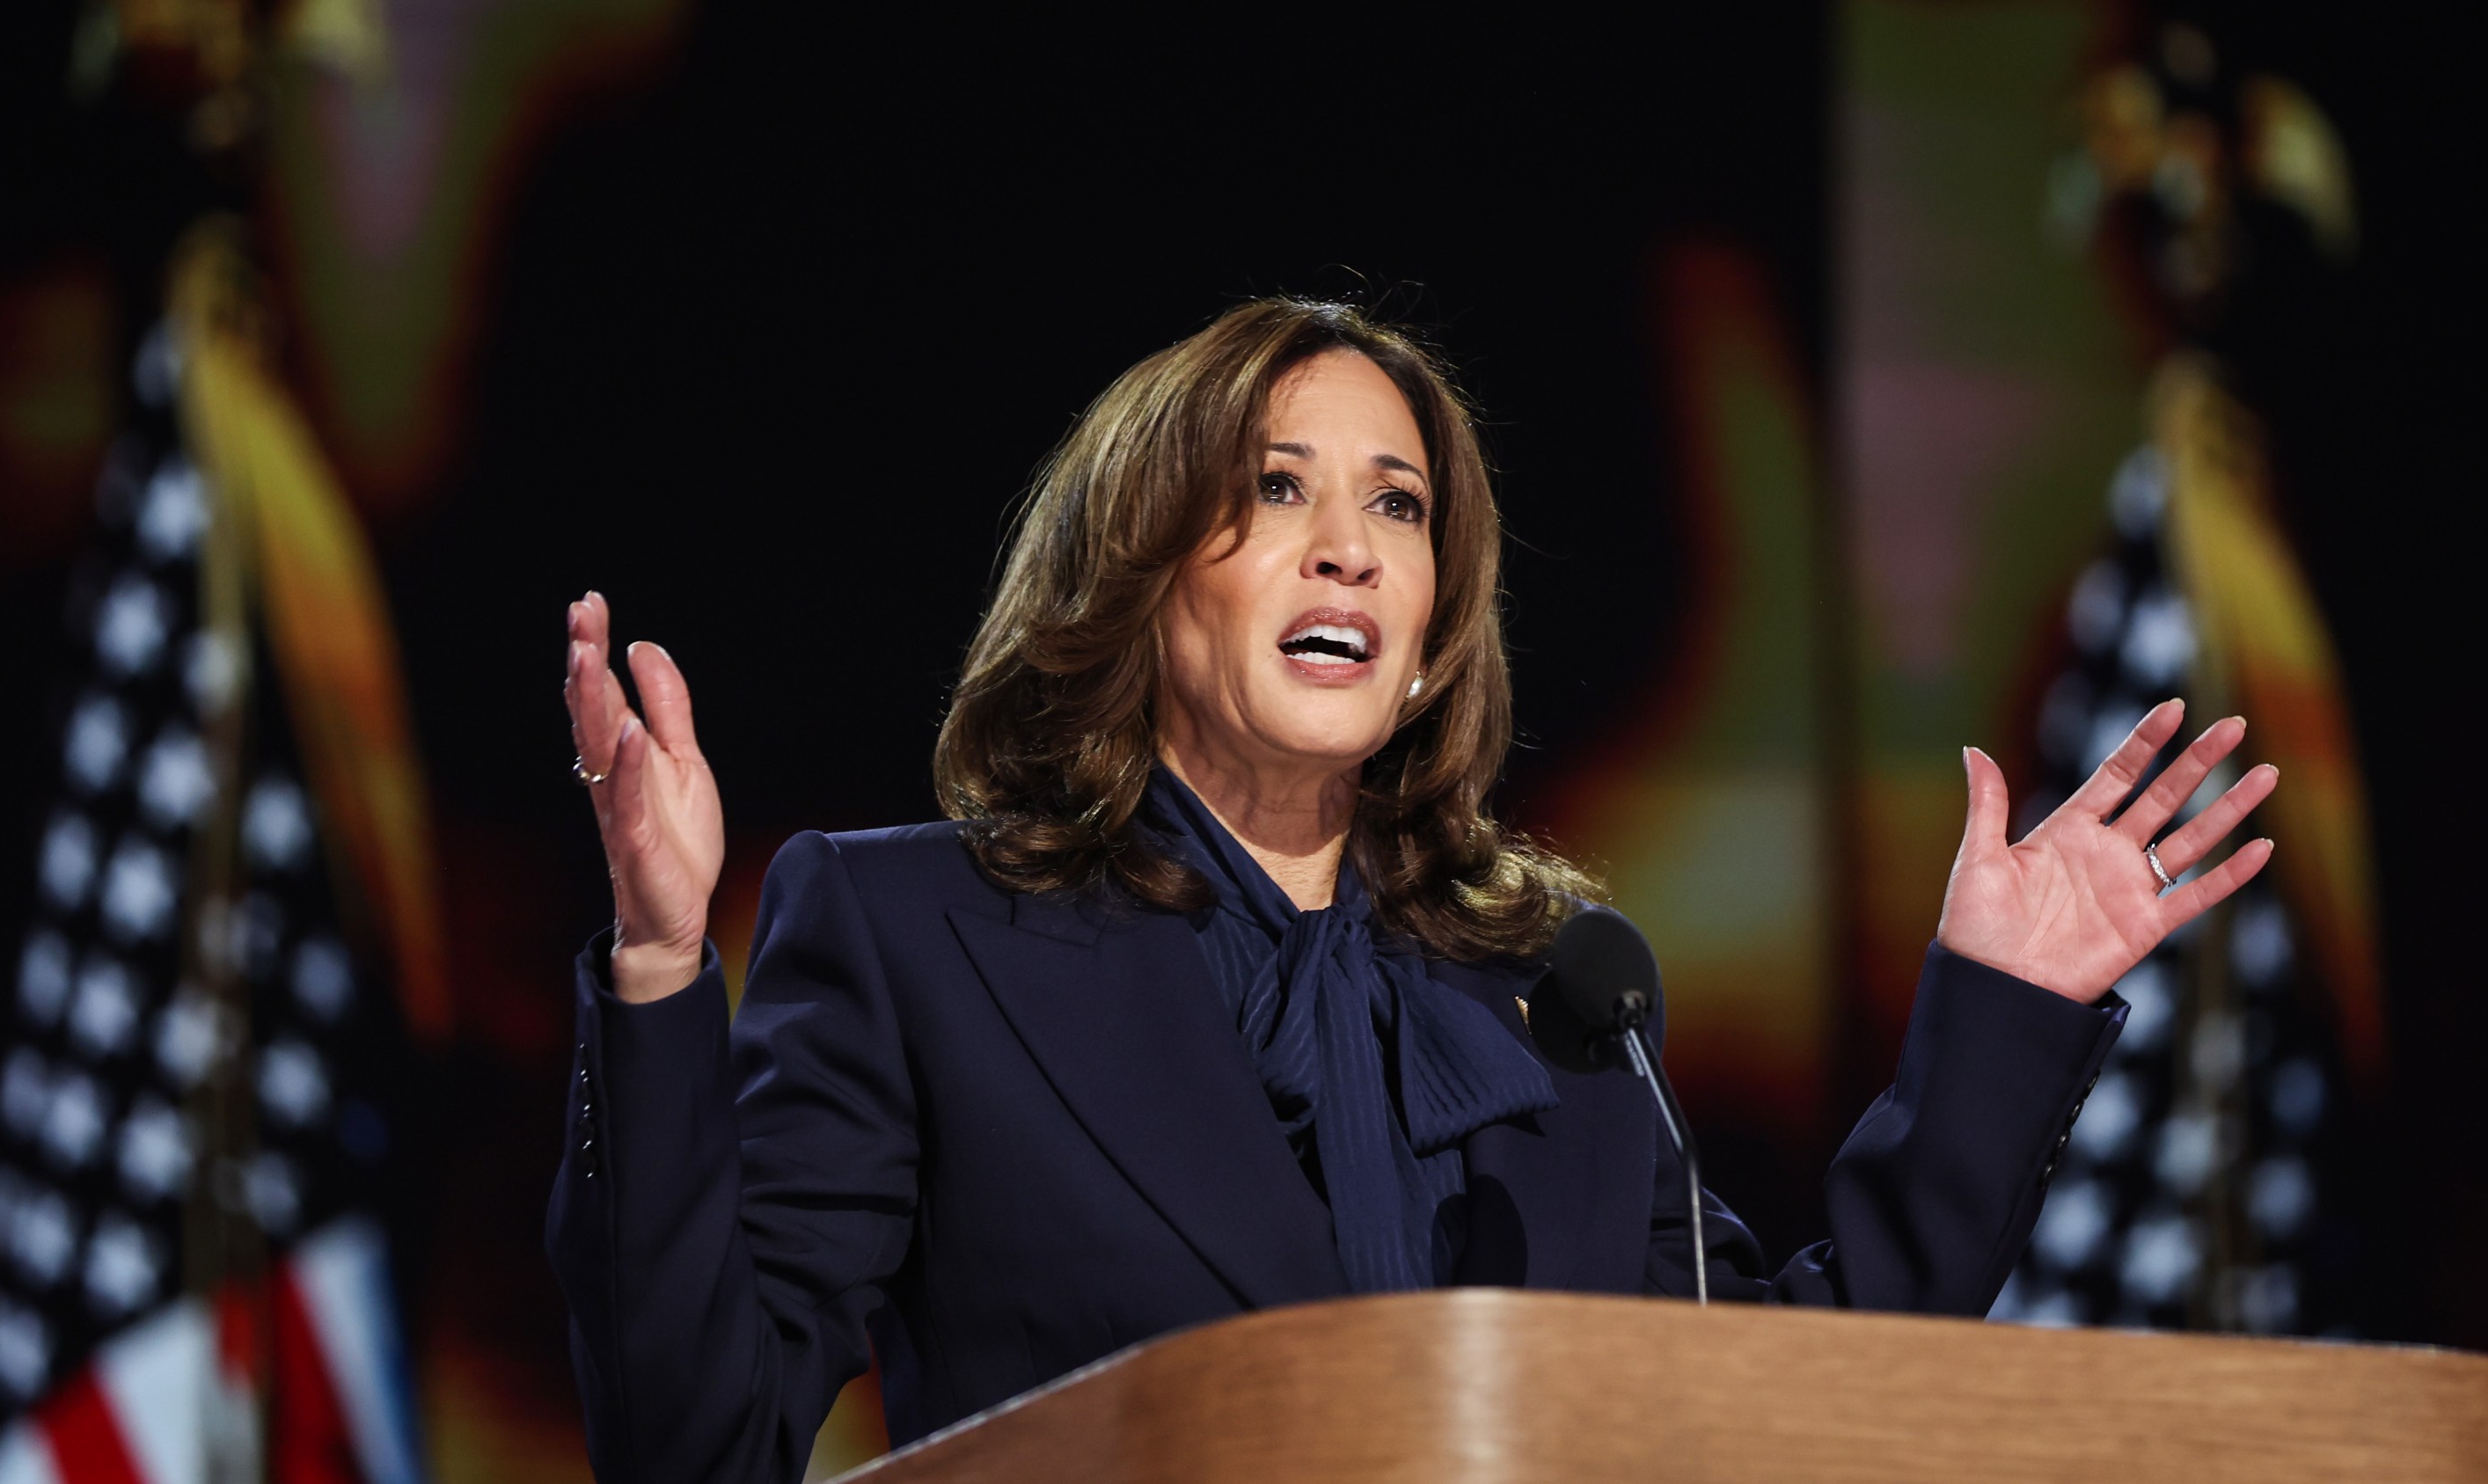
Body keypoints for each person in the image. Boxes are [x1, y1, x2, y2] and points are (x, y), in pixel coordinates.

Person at [545, 300, 2276, 1481]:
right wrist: (655, 957)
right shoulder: (922, 935)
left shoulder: (1559, 994)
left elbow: (1768, 1408)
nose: (1349, 547)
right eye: (1273, 491)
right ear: (1139, 580)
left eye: (1398, 505)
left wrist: (2000, 1012)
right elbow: (699, 1437)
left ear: (1436, 625)